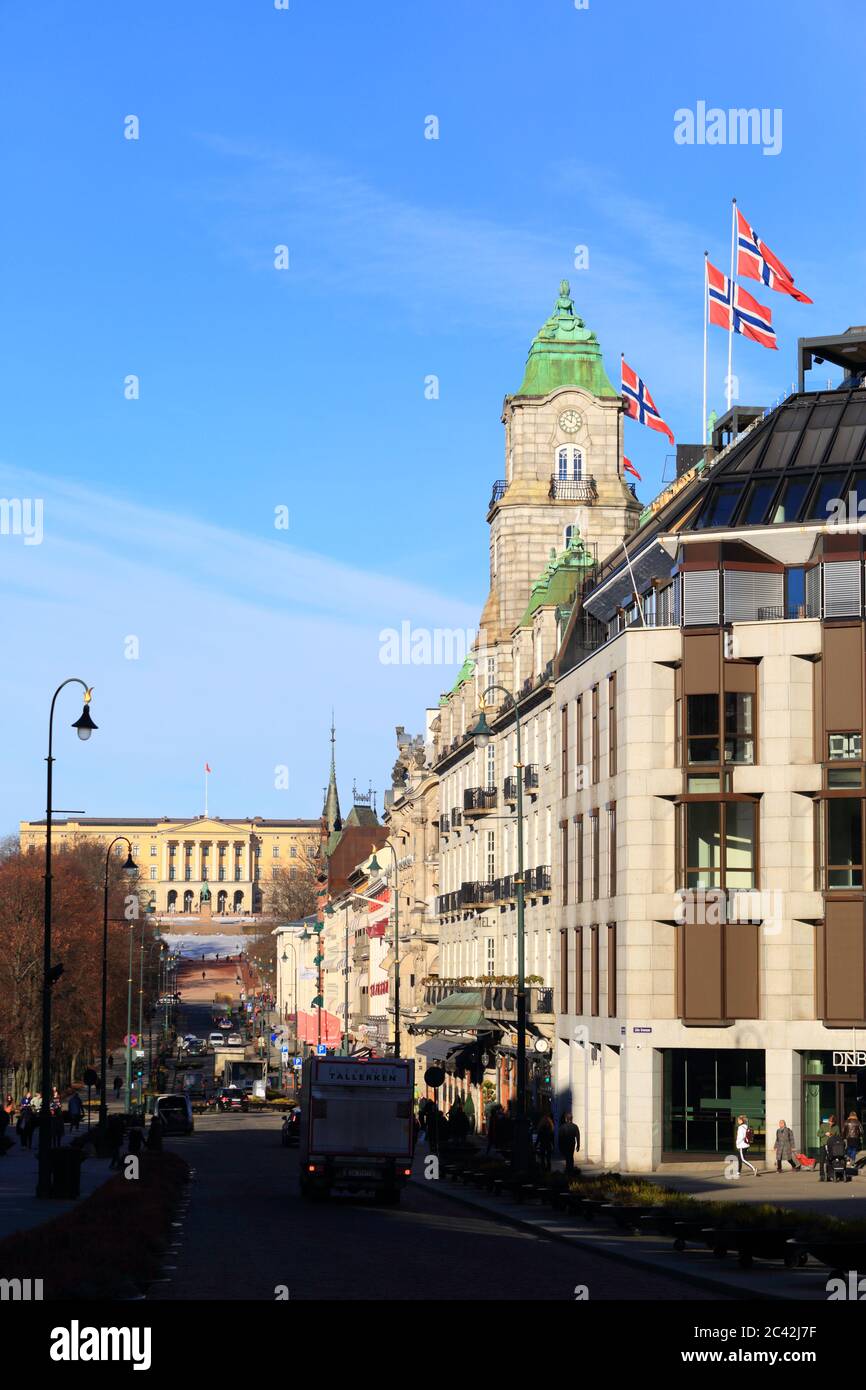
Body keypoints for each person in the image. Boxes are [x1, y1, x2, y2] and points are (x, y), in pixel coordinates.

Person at [818, 1115, 841, 1182]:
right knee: (822, 1161)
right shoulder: (823, 1126)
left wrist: (833, 1135)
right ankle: (822, 1176)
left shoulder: (836, 1127)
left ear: (834, 1122)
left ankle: (830, 1175)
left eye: (832, 1122)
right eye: (830, 1122)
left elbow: (838, 1136)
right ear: (828, 1120)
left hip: (832, 1146)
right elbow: (818, 1134)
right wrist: (825, 1134)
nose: (830, 1123)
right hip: (823, 1145)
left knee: (831, 1160)